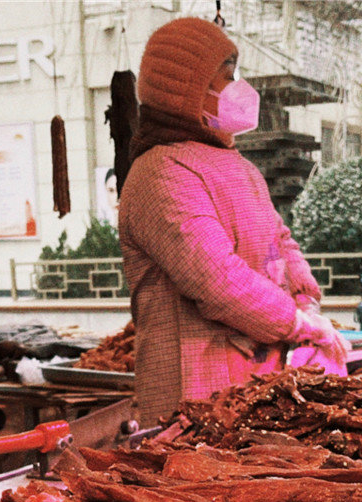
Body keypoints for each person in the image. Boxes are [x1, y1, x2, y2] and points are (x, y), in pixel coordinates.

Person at [118, 18, 335, 424]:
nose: (240, 87)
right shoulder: (161, 171)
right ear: (187, 90)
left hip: (257, 377)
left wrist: (305, 296)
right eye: (228, 76)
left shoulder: (239, 165)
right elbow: (217, 279)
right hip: (193, 394)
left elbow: (280, 239)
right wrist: (294, 321)